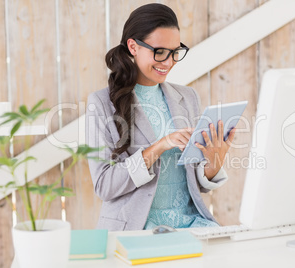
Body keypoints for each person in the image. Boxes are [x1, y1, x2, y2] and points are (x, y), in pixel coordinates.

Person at [86, 3, 236, 231]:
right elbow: (104, 186)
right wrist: (159, 147)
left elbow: (196, 186)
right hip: (140, 227)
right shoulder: (101, 103)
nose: (168, 62)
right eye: (159, 52)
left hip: (190, 223)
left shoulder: (188, 97)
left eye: (175, 52)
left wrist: (213, 163)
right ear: (133, 47)